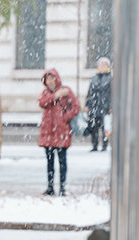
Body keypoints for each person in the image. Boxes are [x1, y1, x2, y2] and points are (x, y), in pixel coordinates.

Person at [38, 68, 79, 196]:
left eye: (52, 79)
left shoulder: (66, 91)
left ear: (57, 79)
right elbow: (42, 103)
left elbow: (76, 107)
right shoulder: (45, 93)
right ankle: (50, 187)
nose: (50, 82)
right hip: (48, 132)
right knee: (49, 162)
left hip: (61, 131)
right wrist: (55, 96)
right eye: (47, 79)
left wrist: (65, 117)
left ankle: (62, 187)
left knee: (62, 161)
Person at [84, 57, 112, 152]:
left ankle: (105, 145)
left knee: (106, 127)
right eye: (101, 65)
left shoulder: (110, 78)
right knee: (94, 127)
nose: (102, 67)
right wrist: (87, 105)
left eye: (104, 65)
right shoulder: (94, 78)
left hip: (105, 106)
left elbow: (113, 93)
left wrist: (111, 106)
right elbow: (90, 92)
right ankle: (94, 144)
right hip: (94, 106)